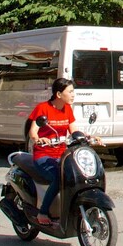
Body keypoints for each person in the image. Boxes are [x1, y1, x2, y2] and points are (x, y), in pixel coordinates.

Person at [28, 78, 78, 226]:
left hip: (62, 156)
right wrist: (39, 139)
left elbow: (74, 131)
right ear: (58, 94)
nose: (73, 95)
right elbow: (33, 131)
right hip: (43, 156)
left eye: (73, 91)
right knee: (59, 178)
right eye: (70, 92)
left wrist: (89, 137)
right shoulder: (43, 108)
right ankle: (43, 212)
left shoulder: (68, 109)